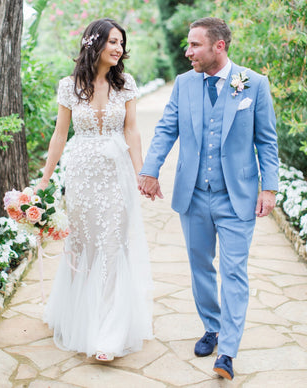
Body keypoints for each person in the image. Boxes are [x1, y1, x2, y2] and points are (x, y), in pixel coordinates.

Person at [139, 17, 278, 380]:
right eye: (188, 45)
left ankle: (227, 352)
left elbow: (266, 141)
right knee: (201, 266)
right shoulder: (184, 85)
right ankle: (212, 327)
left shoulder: (254, 84)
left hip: (238, 198)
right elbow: (167, 128)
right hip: (194, 195)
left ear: (219, 46)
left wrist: (269, 188)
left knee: (234, 271)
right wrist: (150, 170)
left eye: (195, 45)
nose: (187, 52)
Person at [36, 18, 153, 362]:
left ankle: (109, 331)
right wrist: (44, 180)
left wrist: (141, 173)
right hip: (82, 173)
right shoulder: (68, 86)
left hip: (116, 173)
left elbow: (132, 131)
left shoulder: (126, 84)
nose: (119, 48)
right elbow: (60, 135)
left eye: (121, 43)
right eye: (113, 41)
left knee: (113, 245)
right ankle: (78, 318)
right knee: (83, 242)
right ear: (94, 43)